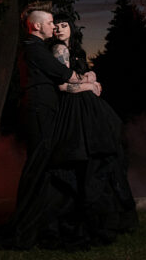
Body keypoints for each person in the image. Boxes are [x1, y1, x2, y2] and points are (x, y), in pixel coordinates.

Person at [0, 7, 100, 250]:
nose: (55, 26)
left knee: (43, 168)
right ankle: (25, 228)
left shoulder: (36, 48)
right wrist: (90, 81)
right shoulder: (34, 49)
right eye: (51, 22)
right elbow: (66, 76)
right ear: (38, 26)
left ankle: (41, 224)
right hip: (39, 113)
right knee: (37, 168)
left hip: (43, 112)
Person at [49, 13, 138, 244]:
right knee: (88, 159)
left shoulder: (76, 50)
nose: (59, 29)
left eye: (64, 25)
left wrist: (91, 76)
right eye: (56, 26)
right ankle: (83, 218)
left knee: (103, 155)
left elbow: (79, 73)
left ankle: (104, 216)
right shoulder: (59, 50)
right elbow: (63, 85)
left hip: (88, 107)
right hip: (74, 108)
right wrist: (89, 85)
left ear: (72, 27)